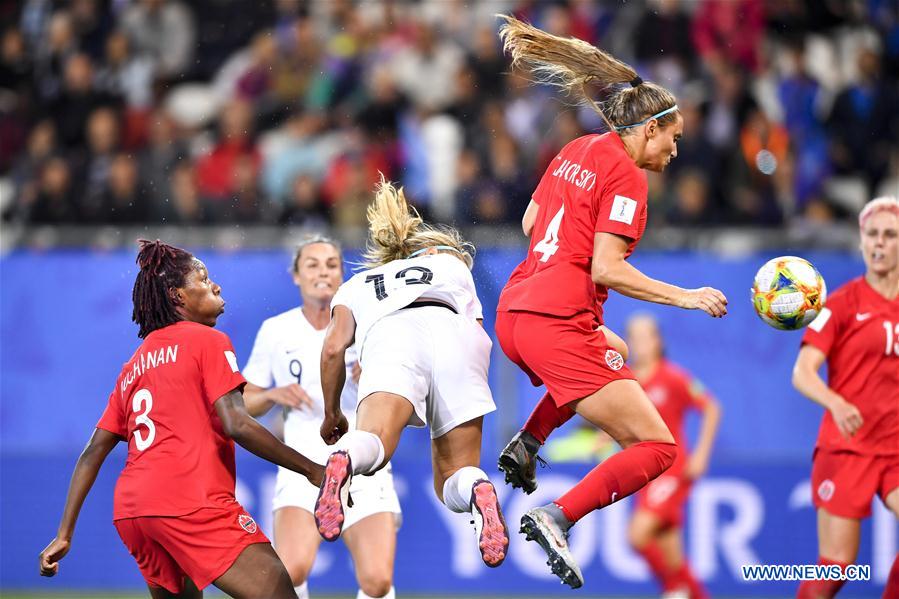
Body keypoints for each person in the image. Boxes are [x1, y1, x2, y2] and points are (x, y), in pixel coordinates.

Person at [491, 15, 728, 588]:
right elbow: (607, 267)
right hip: (556, 323)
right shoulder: (627, 175)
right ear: (650, 129)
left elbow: (530, 220)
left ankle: (528, 441)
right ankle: (558, 514)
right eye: (674, 136)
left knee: (615, 349)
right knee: (657, 447)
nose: (676, 149)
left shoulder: (578, 147)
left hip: (515, 314)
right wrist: (688, 297)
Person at [38, 240, 324, 599]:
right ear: (177, 296)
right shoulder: (208, 340)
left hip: (134, 512)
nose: (215, 285)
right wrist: (313, 469)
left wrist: (65, 533)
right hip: (189, 502)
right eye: (203, 280)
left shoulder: (133, 365)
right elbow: (238, 423)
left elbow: (94, 450)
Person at [313, 177, 509, 569]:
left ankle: (345, 459)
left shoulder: (356, 284)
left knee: (374, 443)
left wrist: (333, 413)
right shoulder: (452, 266)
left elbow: (333, 349)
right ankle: (478, 487)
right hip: (457, 331)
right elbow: (478, 330)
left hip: (391, 333)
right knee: (454, 475)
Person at [243, 236, 401, 599]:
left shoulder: (369, 327)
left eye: (331, 264)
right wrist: (271, 394)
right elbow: (244, 403)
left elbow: (403, 396)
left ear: (343, 275)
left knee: (377, 581)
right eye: (312, 264)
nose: (323, 272)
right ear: (296, 275)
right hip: (303, 465)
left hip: (361, 466)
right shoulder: (276, 330)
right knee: (291, 570)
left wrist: (378, 373)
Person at [792, 196, 899, 599]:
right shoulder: (840, 304)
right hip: (847, 448)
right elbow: (802, 372)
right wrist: (836, 402)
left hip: (895, 448)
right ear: (860, 242)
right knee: (836, 567)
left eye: (890, 235)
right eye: (872, 234)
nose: (879, 243)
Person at [625, 314, 720, 599]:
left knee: (637, 536)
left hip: (671, 469)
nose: (640, 344)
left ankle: (674, 590)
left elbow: (712, 408)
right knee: (673, 557)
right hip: (645, 474)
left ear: (658, 341)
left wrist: (701, 453)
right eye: (634, 337)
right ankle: (688, 591)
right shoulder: (626, 381)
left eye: (646, 336)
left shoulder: (673, 377)